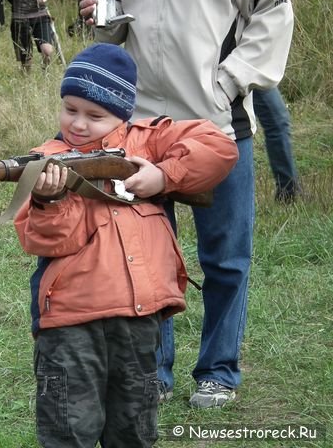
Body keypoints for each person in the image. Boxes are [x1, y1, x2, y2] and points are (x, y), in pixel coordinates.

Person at [79, 0, 294, 408]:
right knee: (144, 254)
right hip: (141, 125)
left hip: (216, 125)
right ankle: (153, 370)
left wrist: (229, 82)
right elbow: (116, 26)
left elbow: (275, 11)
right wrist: (101, 16)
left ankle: (218, 371)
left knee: (226, 257)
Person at [14, 43, 238, 447]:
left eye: (94, 115)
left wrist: (163, 177)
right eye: (70, 109)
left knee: (134, 429)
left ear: (122, 113)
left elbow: (219, 146)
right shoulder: (46, 159)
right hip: (69, 323)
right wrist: (49, 199)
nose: (78, 124)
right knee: (69, 428)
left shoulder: (148, 142)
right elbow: (48, 240)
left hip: (139, 318)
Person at [253, 87, 301, 203]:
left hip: (250, 71)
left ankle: (288, 190)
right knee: (277, 124)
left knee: (278, 123)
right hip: (246, 71)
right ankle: (288, 192)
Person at [1, 0, 53, 71]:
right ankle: (26, 78)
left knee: (47, 51)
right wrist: (14, 1)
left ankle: (45, 73)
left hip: (40, 13)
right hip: (20, 16)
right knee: (26, 59)